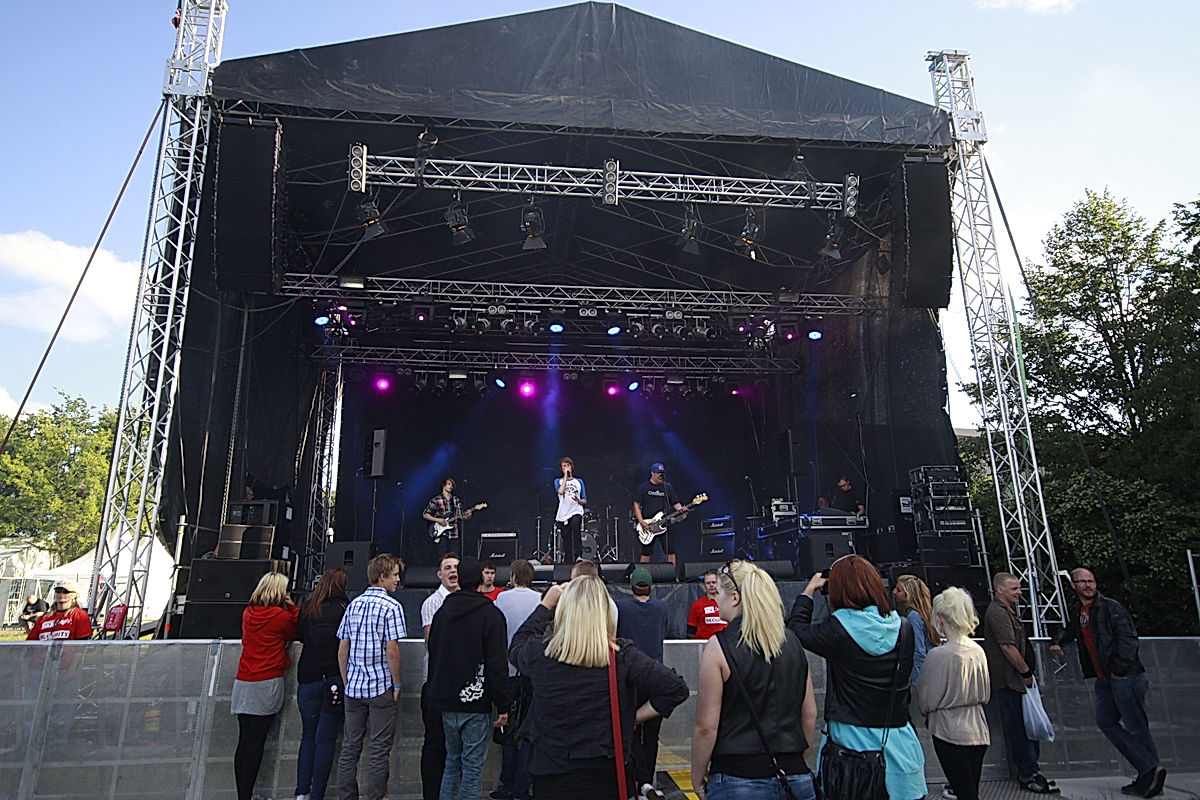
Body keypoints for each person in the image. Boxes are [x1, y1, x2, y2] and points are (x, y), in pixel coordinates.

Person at [509, 575, 689, 800]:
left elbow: (517, 645)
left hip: (551, 772)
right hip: (605, 771)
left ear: (564, 611)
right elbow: (675, 688)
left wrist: (545, 606)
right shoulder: (622, 656)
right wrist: (633, 717)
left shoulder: (541, 653)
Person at [788, 555, 926, 800]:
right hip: (900, 750)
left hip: (850, 755)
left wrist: (809, 590)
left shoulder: (837, 630)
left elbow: (796, 629)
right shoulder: (904, 628)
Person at [692, 560, 818, 800]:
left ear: (735, 597)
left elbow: (706, 727)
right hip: (794, 773)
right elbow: (809, 714)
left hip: (737, 776)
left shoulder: (719, 646)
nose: (715, 599)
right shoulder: (793, 642)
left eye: (718, 592)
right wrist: (796, 763)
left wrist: (697, 778)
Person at [1050, 568, 1165, 798]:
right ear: (1073, 585)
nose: (1088, 585)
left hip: (1124, 676)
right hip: (1104, 678)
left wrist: (1120, 670)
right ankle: (1149, 770)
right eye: (1082, 581)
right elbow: (1073, 630)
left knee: (1136, 726)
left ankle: (1149, 773)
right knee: (1107, 721)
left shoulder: (1111, 607)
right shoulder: (1080, 611)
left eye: (1091, 581)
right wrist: (1059, 641)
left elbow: (1128, 638)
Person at [427, 558, 513, 800]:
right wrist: (503, 704)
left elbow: (434, 651)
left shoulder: (443, 612)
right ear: (480, 580)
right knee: (472, 769)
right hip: (475, 702)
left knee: (452, 763)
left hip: (445, 699)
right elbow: (497, 664)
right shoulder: (491, 615)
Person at [336, 553, 406, 800]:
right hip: (380, 687)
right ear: (382, 576)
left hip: (354, 687)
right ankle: (376, 796)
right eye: (395, 575)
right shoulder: (392, 606)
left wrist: (347, 681)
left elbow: (342, 649)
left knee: (350, 746)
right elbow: (392, 650)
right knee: (378, 749)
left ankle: (347, 796)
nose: (398, 579)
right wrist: (397, 683)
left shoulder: (353, 604)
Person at [982, 572, 1058, 794]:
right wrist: (1025, 671)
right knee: (1018, 728)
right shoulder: (997, 612)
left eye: (1019, 588)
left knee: (1025, 727)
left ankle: (1032, 770)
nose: (1019, 592)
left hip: (1018, 680)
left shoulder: (1009, 612)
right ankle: (1027, 773)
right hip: (1010, 680)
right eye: (1014, 589)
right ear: (1000, 590)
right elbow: (1007, 646)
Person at [915, 587, 990, 800]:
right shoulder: (978, 651)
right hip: (978, 728)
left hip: (949, 729)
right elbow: (985, 691)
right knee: (970, 789)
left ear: (940, 618)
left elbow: (926, 697)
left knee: (964, 790)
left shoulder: (939, 655)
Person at [231, 572, 298, 800]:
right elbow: (297, 629)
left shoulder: (248, 613)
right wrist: (293, 607)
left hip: (244, 681)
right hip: (266, 680)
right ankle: (246, 795)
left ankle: (243, 793)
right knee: (256, 742)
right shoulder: (280, 617)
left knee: (244, 740)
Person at [294, 567, 349, 800]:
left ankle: (301, 792)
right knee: (325, 739)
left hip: (308, 677)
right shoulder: (344, 609)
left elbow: (299, 635)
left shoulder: (307, 608)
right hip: (333, 678)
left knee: (307, 737)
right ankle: (317, 794)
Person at [617, 567, 672, 800]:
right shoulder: (662, 608)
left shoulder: (621, 607)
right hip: (655, 677)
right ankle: (647, 783)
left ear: (632, 587)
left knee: (628, 730)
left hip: (631, 677)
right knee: (651, 735)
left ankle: (637, 783)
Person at [491, 560, 543, 800]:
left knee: (508, 731)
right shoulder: (540, 600)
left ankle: (508, 784)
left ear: (512, 576)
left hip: (509, 673)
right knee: (529, 731)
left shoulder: (501, 599)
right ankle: (524, 786)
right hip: (532, 673)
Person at [420, 552, 460, 800]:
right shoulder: (433, 603)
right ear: (439, 574)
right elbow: (431, 641)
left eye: (456, 567)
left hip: (459, 684)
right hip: (435, 684)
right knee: (435, 744)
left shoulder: (467, 599)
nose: (453, 571)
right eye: (448, 567)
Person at [893, 574, 942, 684]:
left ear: (909, 594)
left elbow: (918, 651)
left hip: (923, 676)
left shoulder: (913, 617)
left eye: (899, 590)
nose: (894, 592)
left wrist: (917, 683)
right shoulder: (926, 614)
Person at [634, 462, 685, 565]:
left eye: (662, 473)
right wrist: (641, 521)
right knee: (646, 552)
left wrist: (681, 510)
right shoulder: (643, 488)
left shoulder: (668, 488)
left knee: (670, 551)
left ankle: (672, 575)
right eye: (658, 473)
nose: (660, 476)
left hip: (665, 523)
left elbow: (675, 503)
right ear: (652, 473)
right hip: (648, 525)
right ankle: (643, 575)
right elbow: (636, 505)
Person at [424, 478, 473, 552]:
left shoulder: (455, 500)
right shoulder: (437, 500)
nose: (451, 486)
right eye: (449, 484)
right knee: (443, 557)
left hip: (454, 534)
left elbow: (460, 516)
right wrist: (438, 520)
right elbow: (426, 515)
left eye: (452, 485)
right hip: (441, 534)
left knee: (455, 557)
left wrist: (468, 516)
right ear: (443, 485)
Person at [554, 456, 587, 563]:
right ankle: (568, 558)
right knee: (566, 534)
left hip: (576, 509)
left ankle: (579, 555)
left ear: (571, 467)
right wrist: (565, 477)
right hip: (564, 512)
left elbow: (584, 499)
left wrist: (579, 501)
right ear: (561, 469)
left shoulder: (579, 481)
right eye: (564, 466)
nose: (566, 468)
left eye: (568, 465)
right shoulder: (558, 481)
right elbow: (560, 492)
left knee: (575, 526)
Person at [687, 570, 729, 640]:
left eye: (714, 582)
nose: (711, 585)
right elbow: (691, 632)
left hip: (725, 644)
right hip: (704, 645)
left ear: (719, 584)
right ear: (704, 586)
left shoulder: (727, 602)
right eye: (708, 583)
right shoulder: (697, 605)